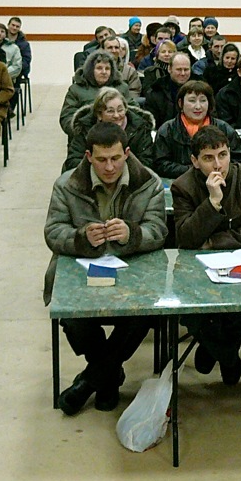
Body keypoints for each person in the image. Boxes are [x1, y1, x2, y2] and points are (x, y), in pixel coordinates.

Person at [44, 121, 167, 415]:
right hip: (82, 270)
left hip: (134, 268)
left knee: (142, 315)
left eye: (115, 158)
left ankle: (92, 380)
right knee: (74, 319)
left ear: (126, 153)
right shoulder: (67, 185)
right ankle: (108, 377)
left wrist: (132, 234)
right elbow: (52, 232)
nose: (109, 167)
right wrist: (80, 238)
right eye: (101, 160)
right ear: (88, 156)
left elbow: (159, 231)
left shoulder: (148, 182)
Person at [171, 126, 241, 385]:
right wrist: (212, 203)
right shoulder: (183, 187)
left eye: (223, 155)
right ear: (195, 161)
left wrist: (214, 240)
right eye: (208, 158)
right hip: (197, 271)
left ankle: (209, 349)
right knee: (200, 311)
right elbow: (185, 239)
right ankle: (228, 357)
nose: (218, 165)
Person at [151, 80, 241, 178]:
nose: (198, 106)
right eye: (192, 101)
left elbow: (239, 161)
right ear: (180, 103)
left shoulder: (223, 129)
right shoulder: (167, 130)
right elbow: (160, 165)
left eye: (203, 100)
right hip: (179, 184)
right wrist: (198, 170)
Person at [64, 87, 155, 172]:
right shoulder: (84, 127)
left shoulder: (139, 127)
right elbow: (73, 161)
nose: (116, 115)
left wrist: (118, 171)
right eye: (110, 111)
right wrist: (101, 170)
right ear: (99, 114)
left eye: (120, 110)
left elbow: (146, 162)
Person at [60, 50, 132, 136]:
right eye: (99, 68)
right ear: (90, 70)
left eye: (107, 68)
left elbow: (133, 112)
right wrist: (84, 132)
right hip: (86, 136)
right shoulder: (76, 89)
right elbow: (67, 118)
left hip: (119, 136)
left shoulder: (121, 88)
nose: (104, 72)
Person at [144, 51, 193, 129]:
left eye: (186, 69)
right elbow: (151, 124)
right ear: (170, 69)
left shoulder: (201, 90)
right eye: (179, 70)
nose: (183, 73)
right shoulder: (155, 92)